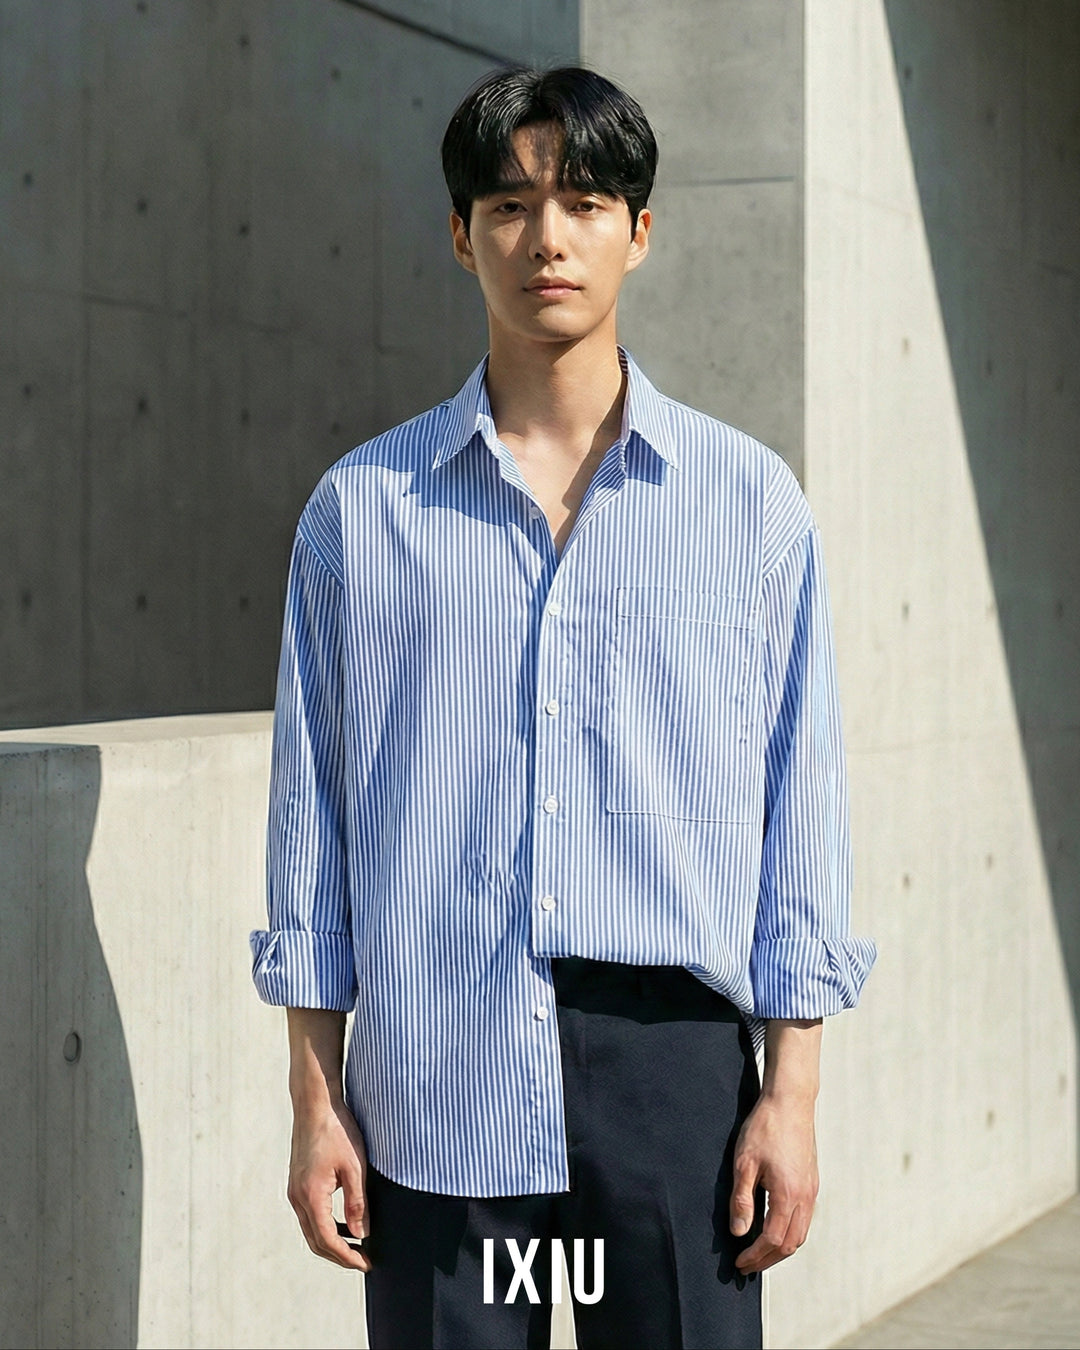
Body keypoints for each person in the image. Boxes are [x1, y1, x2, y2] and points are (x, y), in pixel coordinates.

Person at [250, 64, 876, 1350]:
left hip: (672, 1075)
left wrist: (794, 1091)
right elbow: (311, 823)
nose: (547, 238)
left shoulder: (748, 505)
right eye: (509, 205)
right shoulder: (361, 515)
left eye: (585, 202)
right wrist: (315, 1097)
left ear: (639, 233)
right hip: (438, 1068)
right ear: (460, 234)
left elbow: (800, 802)